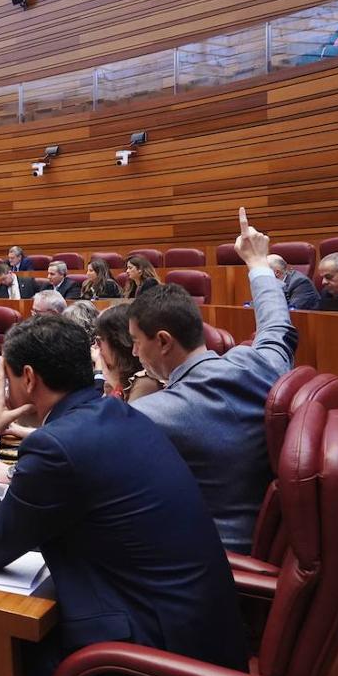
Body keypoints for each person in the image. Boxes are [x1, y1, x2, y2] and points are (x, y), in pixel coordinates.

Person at [0, 317, 247, 676]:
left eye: (5, 380)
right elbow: (70, 507)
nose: (4, 393)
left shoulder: (56, 448)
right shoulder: (122, 415)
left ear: (28, 378)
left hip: (152, 670)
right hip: (198, 636)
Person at [130, 207, 297, 553]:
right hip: (259, 544)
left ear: (162, 341)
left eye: (136, 341)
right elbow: (277, 327)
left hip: (207, 563)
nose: (133, 352)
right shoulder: (258, 365)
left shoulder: (156, 414)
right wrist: (258, 265)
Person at [95, 304, 161, 402]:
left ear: (118, 344)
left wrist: (115, 383)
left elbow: (122, 416)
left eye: (100, 341)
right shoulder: (116, 382)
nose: (97, 347)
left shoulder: (145, 384)